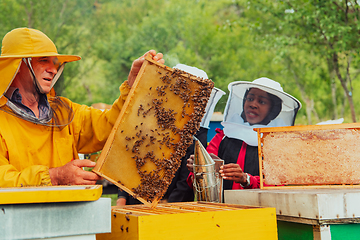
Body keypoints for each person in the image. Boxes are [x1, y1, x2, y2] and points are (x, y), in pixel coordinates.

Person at [0, 27, 164, 187]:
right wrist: (55, 177)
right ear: (18, 65)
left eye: (55, 62)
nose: (53, 69)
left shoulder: (63, 110)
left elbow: (107, 126)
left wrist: (133, 86)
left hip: (70, 213)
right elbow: (3, 179)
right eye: (43, 60)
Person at [117, 64, 224, 206]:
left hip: (170, 206)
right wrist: (121, 197)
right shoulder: (150, 120)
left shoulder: (197, 134)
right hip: (134, 199)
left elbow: (187, 179)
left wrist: (168, 203)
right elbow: (131, 159)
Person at [187, 77, 301, 194]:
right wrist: (199, 168)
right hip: (223, 209)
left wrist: (246, 179)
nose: (253, 104)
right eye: (250, 98)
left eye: (261, 102)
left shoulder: (279, 144)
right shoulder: (223, 136)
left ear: (273, 110)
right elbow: (198, 184)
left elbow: (279, 182)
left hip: (262, 210)